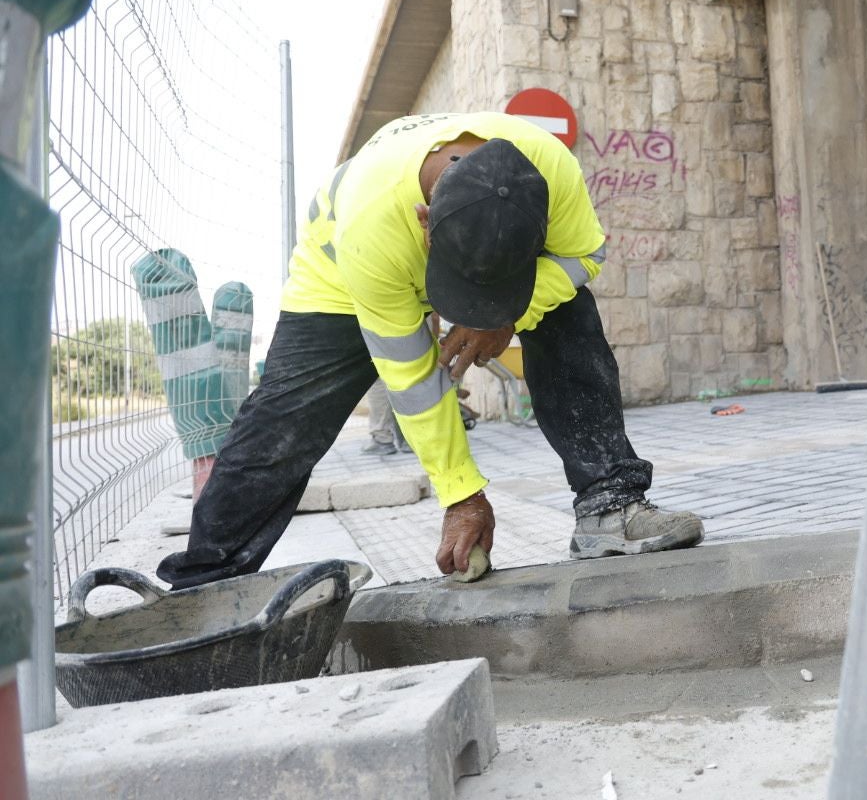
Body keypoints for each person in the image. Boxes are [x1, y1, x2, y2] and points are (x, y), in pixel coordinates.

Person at [157, 111, 703, 587]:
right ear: (426, 223)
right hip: (339, 278)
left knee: (569, 314)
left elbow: (583, 256)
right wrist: (461, 495)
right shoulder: (376, 229)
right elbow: (413, 380)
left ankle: (610, 507)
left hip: (444, 250)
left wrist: (514, 310)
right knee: (285, 417)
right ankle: (208, 579)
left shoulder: (550, 168)